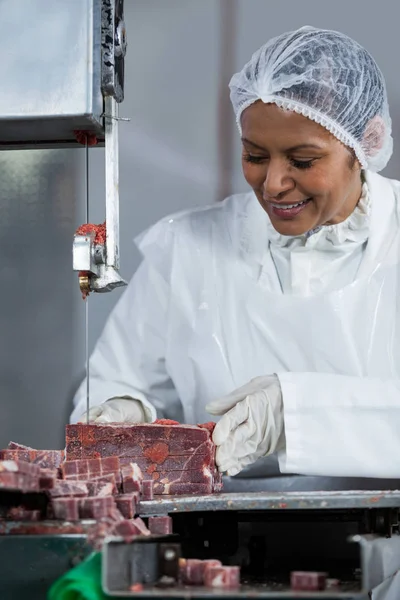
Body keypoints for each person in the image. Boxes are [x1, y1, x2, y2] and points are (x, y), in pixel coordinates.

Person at [72, 25, 400, 481]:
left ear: (368, 141)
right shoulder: (189, 248)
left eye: (303, 161)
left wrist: (297, 413)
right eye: (255, 155)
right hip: (218, 536)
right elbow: (117, 379)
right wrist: (120, 410)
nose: (273, 184)